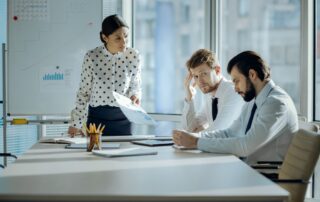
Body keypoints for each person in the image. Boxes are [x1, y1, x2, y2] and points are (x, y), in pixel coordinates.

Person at [173, 51, 298, 164]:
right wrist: (194, 138)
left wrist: (196, 142)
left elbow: (246, 146)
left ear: (252, 75)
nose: (235, 88)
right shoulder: (253, 101)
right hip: (249, 169)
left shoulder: (276, 103)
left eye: (237, 81)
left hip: (266, 177)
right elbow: (229, 133)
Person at [68, 14, 141, 136]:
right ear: (105, 37)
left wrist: (135, 95)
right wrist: (76, 123)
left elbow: (135, 85)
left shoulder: (133, 56)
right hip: (97, 119)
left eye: (126, 36)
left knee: (123, 153)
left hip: (124, 117)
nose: (124, 42)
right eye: (118, 38)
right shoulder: (92, 57)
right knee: (95, 153)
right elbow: (84, 92)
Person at [181, 49, 244, 132]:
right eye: (195, 76)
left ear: (217, 70)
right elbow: (189, 128)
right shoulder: (211, 98)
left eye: (203, 74)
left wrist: (191, 137)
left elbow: (218, 130)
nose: (200, 81)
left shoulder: (233, 92)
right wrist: (190, 97)